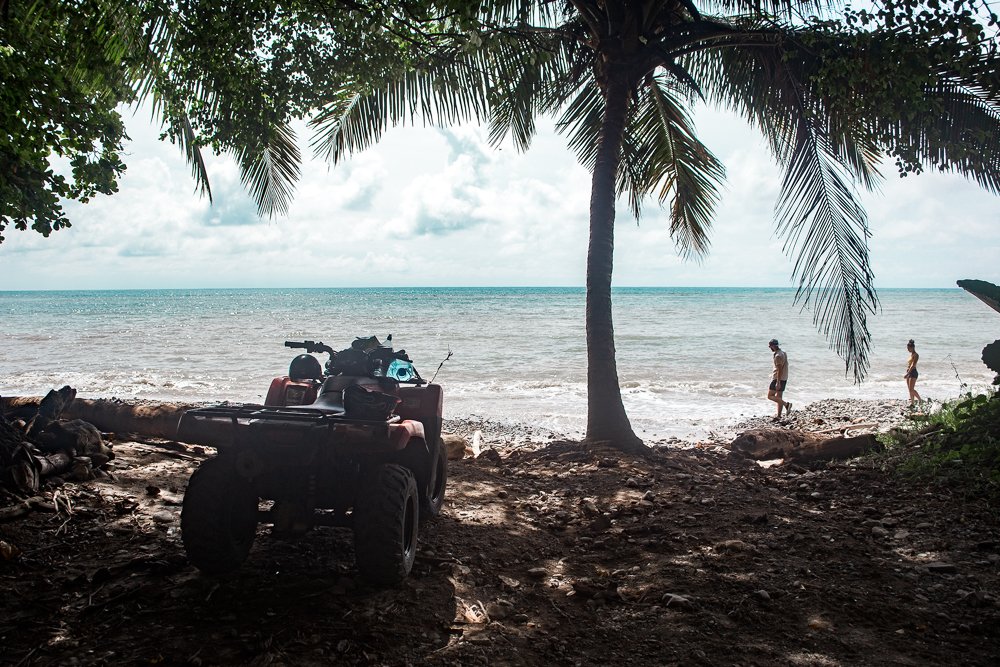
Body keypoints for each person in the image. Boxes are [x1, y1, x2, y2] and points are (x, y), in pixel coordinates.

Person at [767, 338, 791, 419]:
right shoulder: (783, 353)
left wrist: (778, 382)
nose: (769, 348)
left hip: (778, 378)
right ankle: (779, 415)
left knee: (770, 396)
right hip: (784, 377)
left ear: (773, 346)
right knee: (779, 397)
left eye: (770, 346)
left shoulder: (777, 356)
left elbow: (779, 369)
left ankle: (786, 404)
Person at [904, 339, 922, 405]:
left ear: (913, 347)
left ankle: (920, 400)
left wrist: (907, 373)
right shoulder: (911, 355)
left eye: (909, 348)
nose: (908, 349)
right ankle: (912, 403)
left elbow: (913, 365)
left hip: (913, 372)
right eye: (907, 348)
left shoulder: (916, 355)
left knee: (912, 389)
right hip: (909, 373)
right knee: (909, 390)